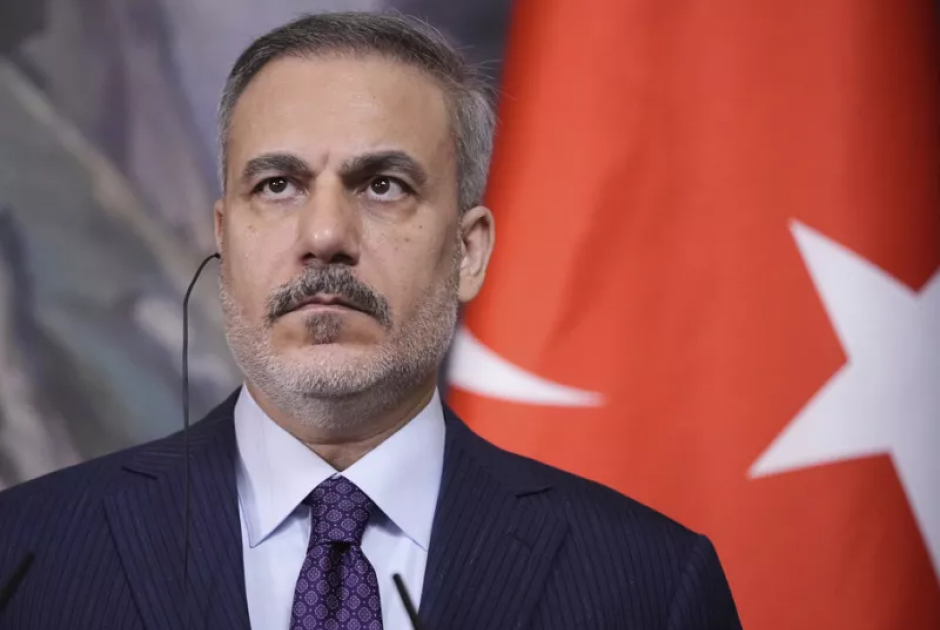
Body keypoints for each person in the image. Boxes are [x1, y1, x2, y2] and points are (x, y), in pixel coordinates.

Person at [0, 12, 742, 630]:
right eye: (278, 185)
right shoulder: (25, 554)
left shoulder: (650, 585)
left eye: (383, 185)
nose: (326, 235)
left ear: (468, 253)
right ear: (223, 241)